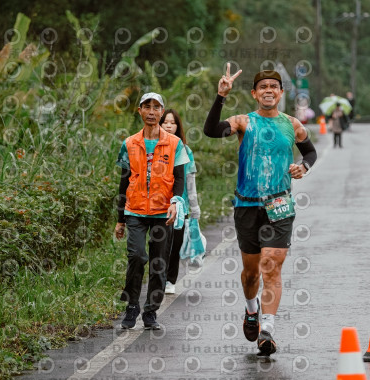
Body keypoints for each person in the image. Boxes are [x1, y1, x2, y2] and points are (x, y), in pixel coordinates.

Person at [203, 65, 317, 356]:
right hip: (247, 206)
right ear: (255, 94)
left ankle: (267, 329)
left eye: (273, 86)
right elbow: (212, 131)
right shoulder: (244, 122)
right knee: (251, 273)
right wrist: (220, 96)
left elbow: (310, 152)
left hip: (280, 205)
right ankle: (251, 309)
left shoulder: (293, 125)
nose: (268, 90)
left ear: (280, 93)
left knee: (271, 265)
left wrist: (303, 166)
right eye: (262, 87)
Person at [115, 92, 190, 330]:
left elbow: (180, 178)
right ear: (139, 111)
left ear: (161, 111)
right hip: (135, 211)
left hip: (162, 212)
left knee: (159, 263)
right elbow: (123, 181)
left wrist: (176, 202)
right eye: (146, 106)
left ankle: (150, 312)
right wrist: (120, 220)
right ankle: (131, 306)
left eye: (156, 107)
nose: (151, 111)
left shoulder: (175, 144)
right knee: (136, 256)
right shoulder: (129, 143)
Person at [159, 109, 201, 294]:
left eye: (172, 122)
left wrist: (195, 208)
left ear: (178, 127)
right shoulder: (153, 147)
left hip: (179, 205)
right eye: (165, 122)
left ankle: (170, 280)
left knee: (175, 244)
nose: (168, 125)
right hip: (157, 205)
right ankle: (157, 278)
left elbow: (190, 181)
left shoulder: (185, 150)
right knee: (159, 245)